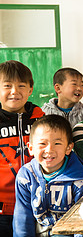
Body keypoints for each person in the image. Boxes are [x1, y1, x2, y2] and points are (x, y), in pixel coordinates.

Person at [13, 115, 83, 237]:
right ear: (31, 148)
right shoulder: (26, 176)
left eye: (57, 143)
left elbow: (81, 221)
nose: (49, 149)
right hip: (38, 231)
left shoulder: (79, 179)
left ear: (68, 148)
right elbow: (22, 217)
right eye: (43, 143)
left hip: (66, 233)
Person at [0, 60, 45, 236]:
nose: (14, 91)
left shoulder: (41, 120)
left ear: (30, 89)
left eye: (21, 86)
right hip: (3, 209)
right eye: (7, 86)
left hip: (37, 204)